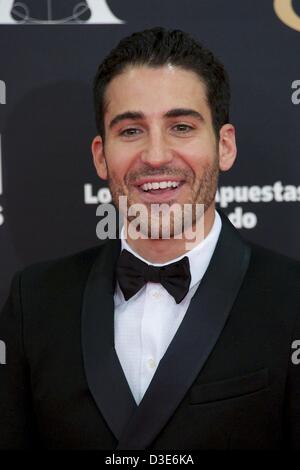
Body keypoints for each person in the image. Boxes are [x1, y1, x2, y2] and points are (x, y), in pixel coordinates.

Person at [0, 27, 299, 450]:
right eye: (131, 131)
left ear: (225, 146)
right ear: (102, 156)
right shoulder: (35, 302)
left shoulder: (292, 299)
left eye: (180, 126)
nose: (156, 156)